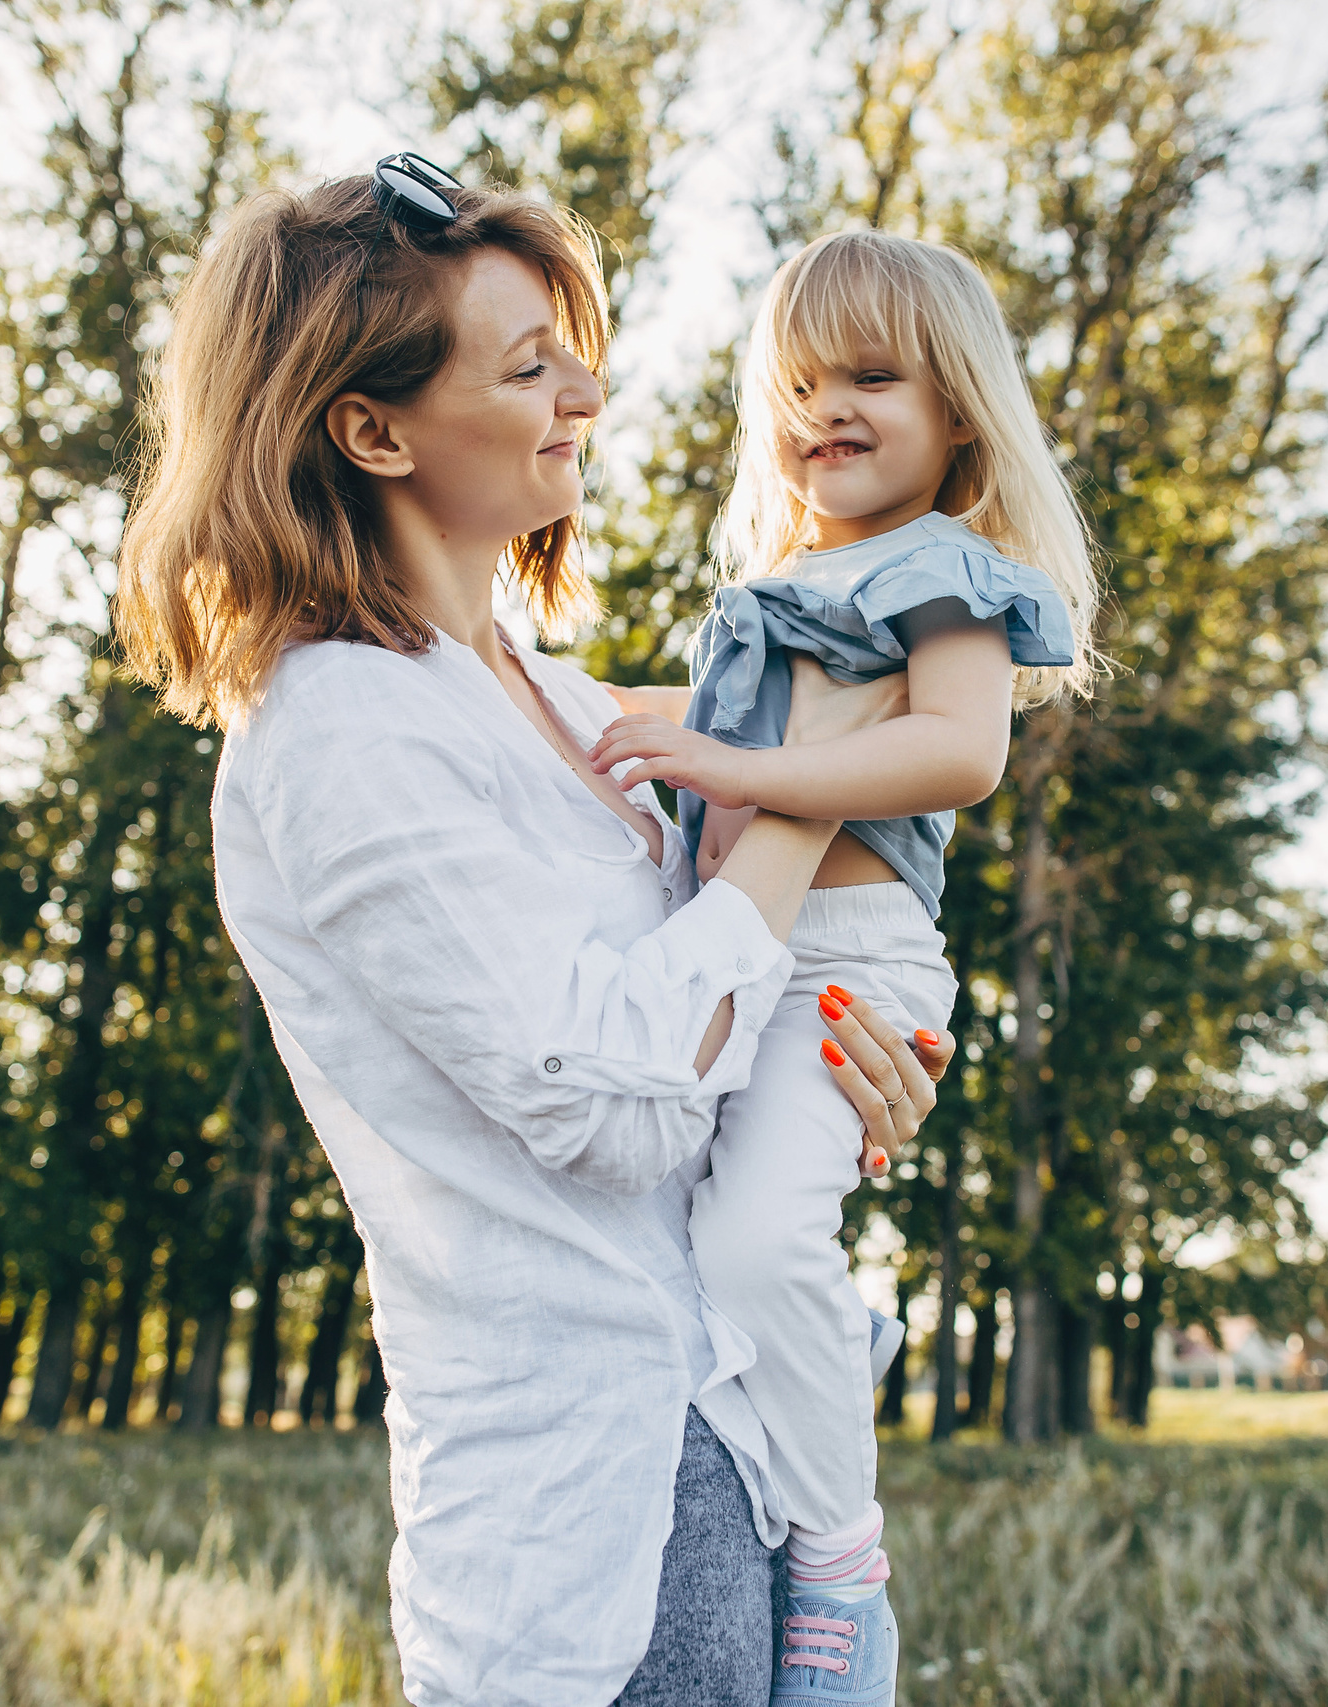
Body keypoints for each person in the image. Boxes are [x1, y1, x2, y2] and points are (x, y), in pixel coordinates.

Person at [111, 155, 953, 1706]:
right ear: (372, 430)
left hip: (745, 1437)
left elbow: (709, 1032)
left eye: (571, 347)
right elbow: (612, 1105)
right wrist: (810, 793)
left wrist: (843, 1069)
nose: (587, 386)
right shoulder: (340, 724)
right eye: (527, 364)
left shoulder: (560, 700)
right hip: (594, 1513)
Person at [589, 230, 1102, 1701]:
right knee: (718, 1251)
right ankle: (830, 1337)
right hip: (735, 956)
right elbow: (706, 713)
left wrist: (733, 759)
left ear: (958, 413)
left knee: (751, 1246)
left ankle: (841, 1558)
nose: (829, 409)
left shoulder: (946, 570)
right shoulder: (775, 585)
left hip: (846, 967)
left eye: (872, 376)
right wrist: (573, 701)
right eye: (802, 382)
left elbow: (958, 749)